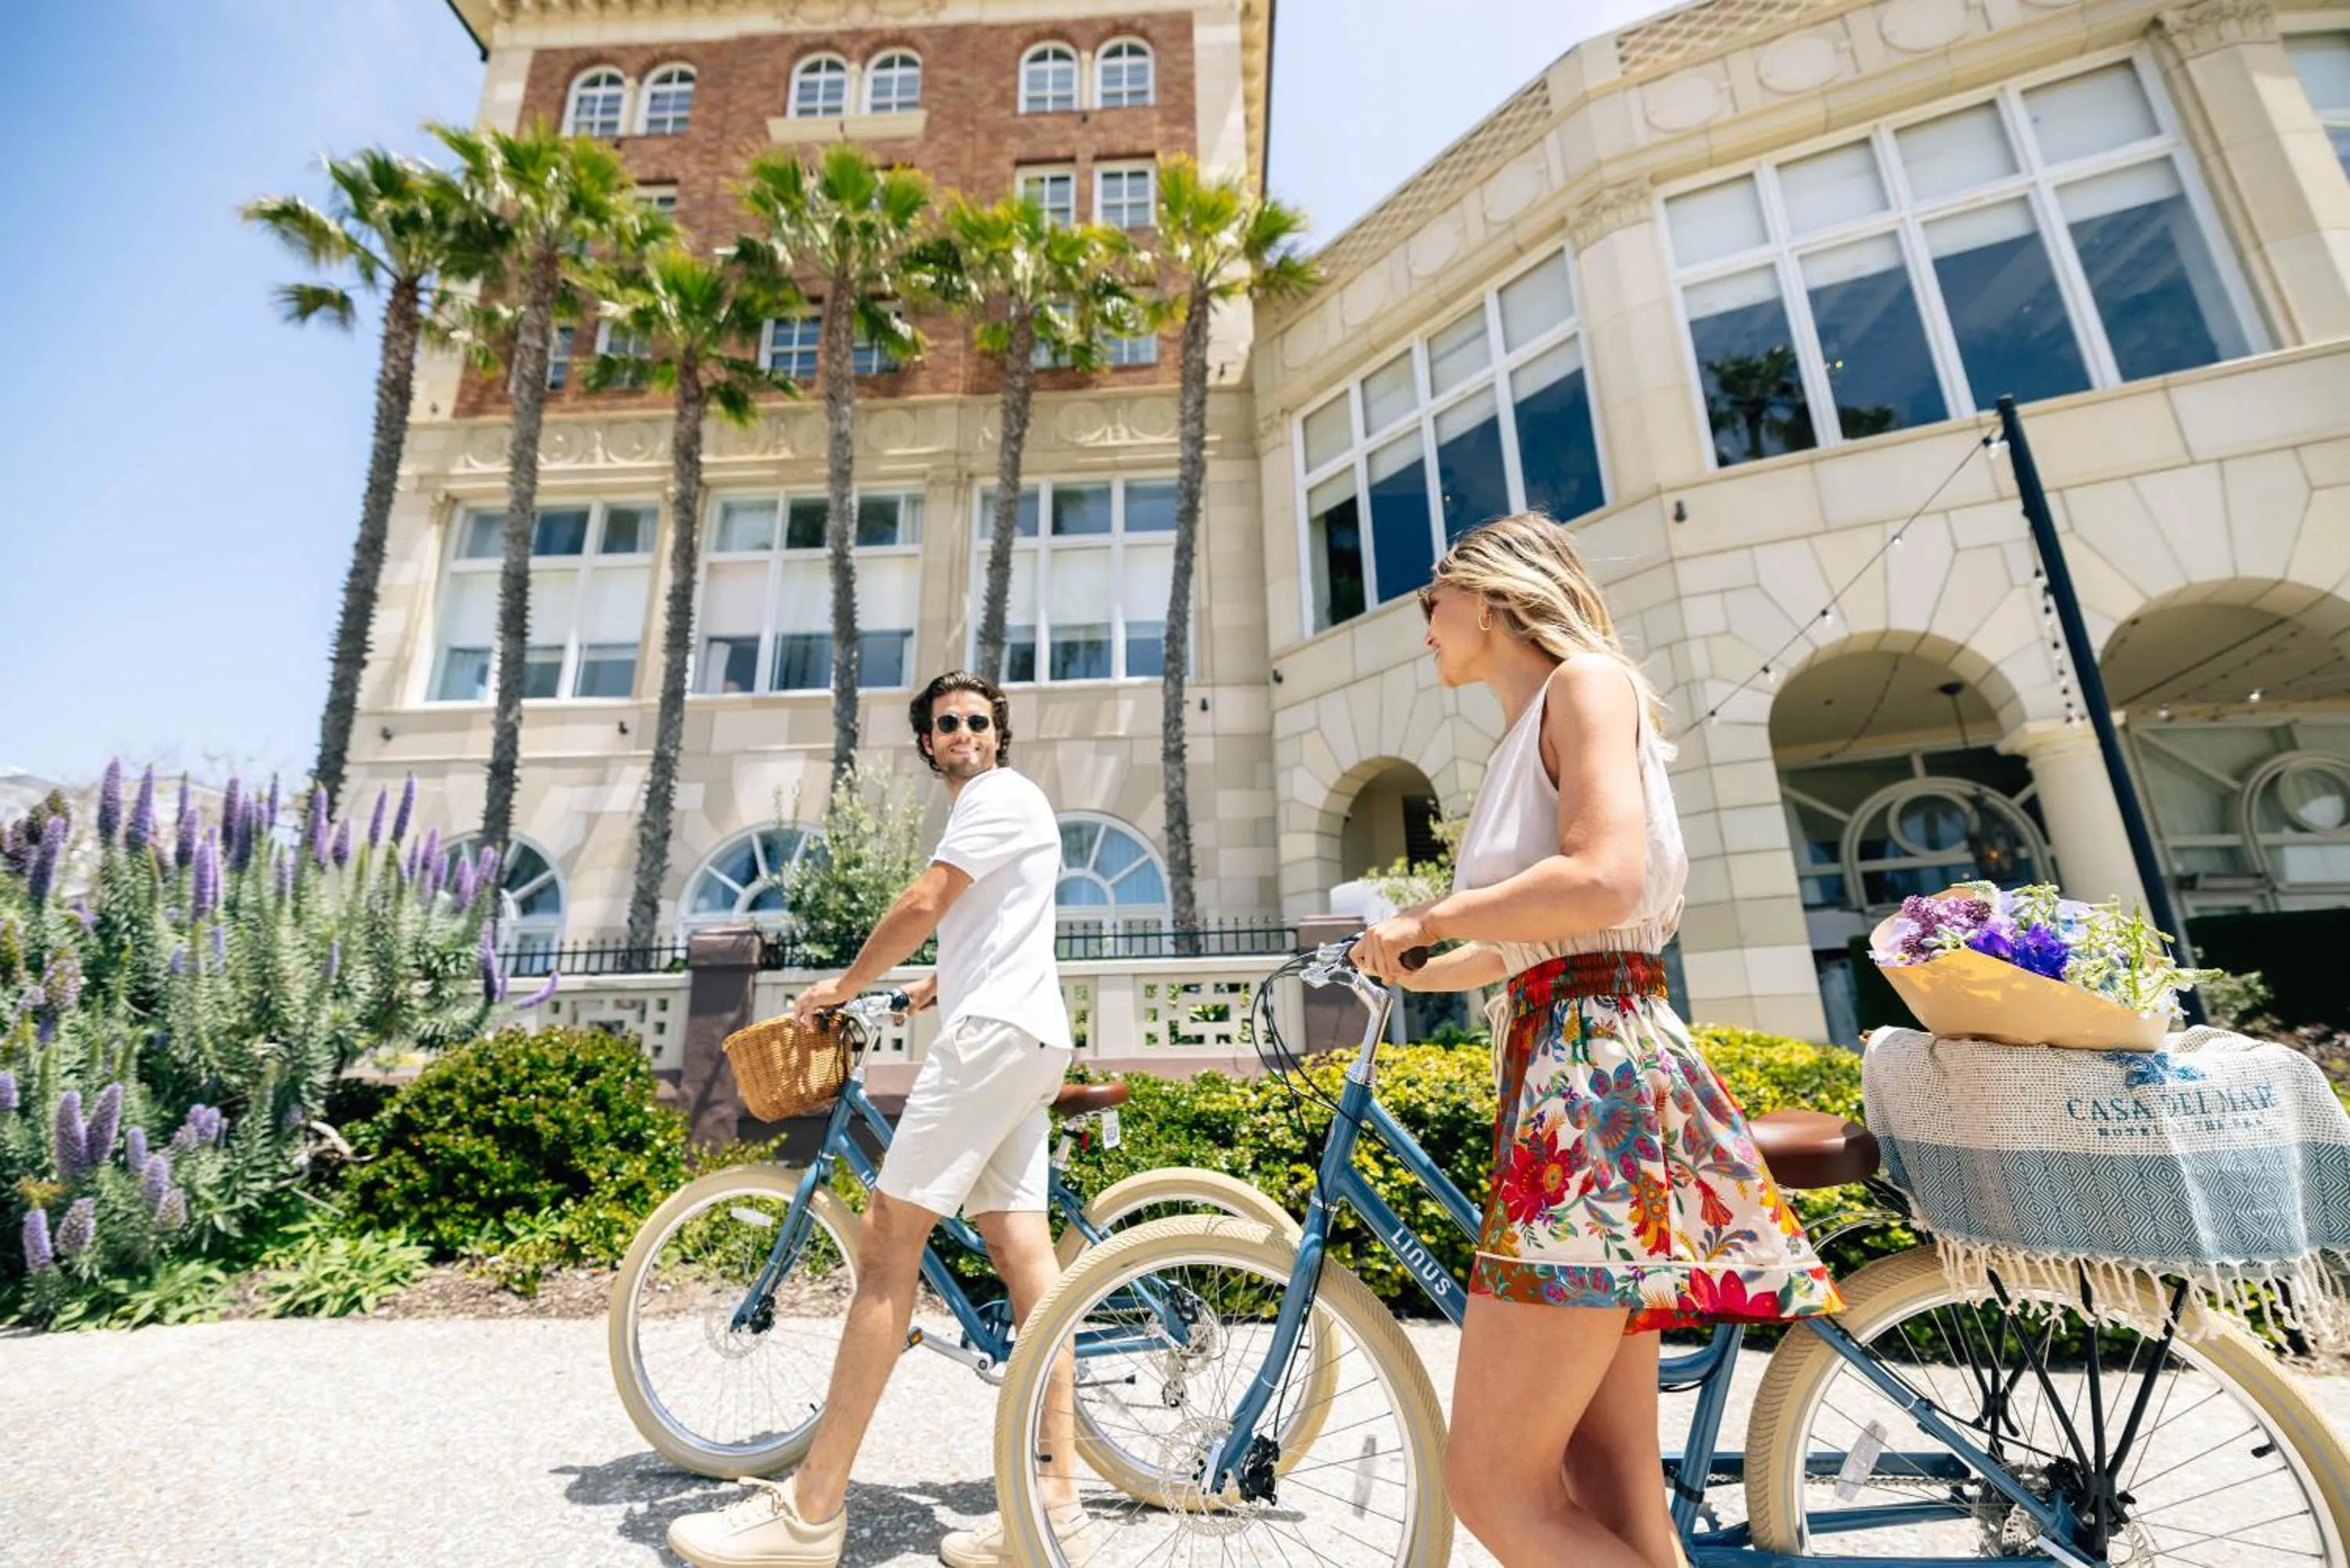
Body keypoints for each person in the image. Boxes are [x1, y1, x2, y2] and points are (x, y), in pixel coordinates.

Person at [1351, 515, 1843, 1567]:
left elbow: (1607, 877)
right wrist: (1429, 955)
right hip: (1569, 1063)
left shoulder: (1585, 682)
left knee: (1489, 1482)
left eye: (1428, 605)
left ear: (1483, 594)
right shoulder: (1525, 726)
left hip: (1589, 1078)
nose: (1424, 630)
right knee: (1612, 1490)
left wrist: (1436, 916)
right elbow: (1542, 933)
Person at [667, 670, 1081, 1568]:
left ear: (997, 735)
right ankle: (1054, 1504)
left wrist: (845, 986)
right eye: (947, 723)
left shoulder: (997, 794)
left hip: (990, 1042)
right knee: (1024, 1259)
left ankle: (809, 1515)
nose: (964, 732)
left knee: (887, 1246)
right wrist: (931, 983)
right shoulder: (1001, 810)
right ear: (927, 741)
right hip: (1028, 1034)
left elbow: (928, 900)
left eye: (977, 720)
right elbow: (994, 924)